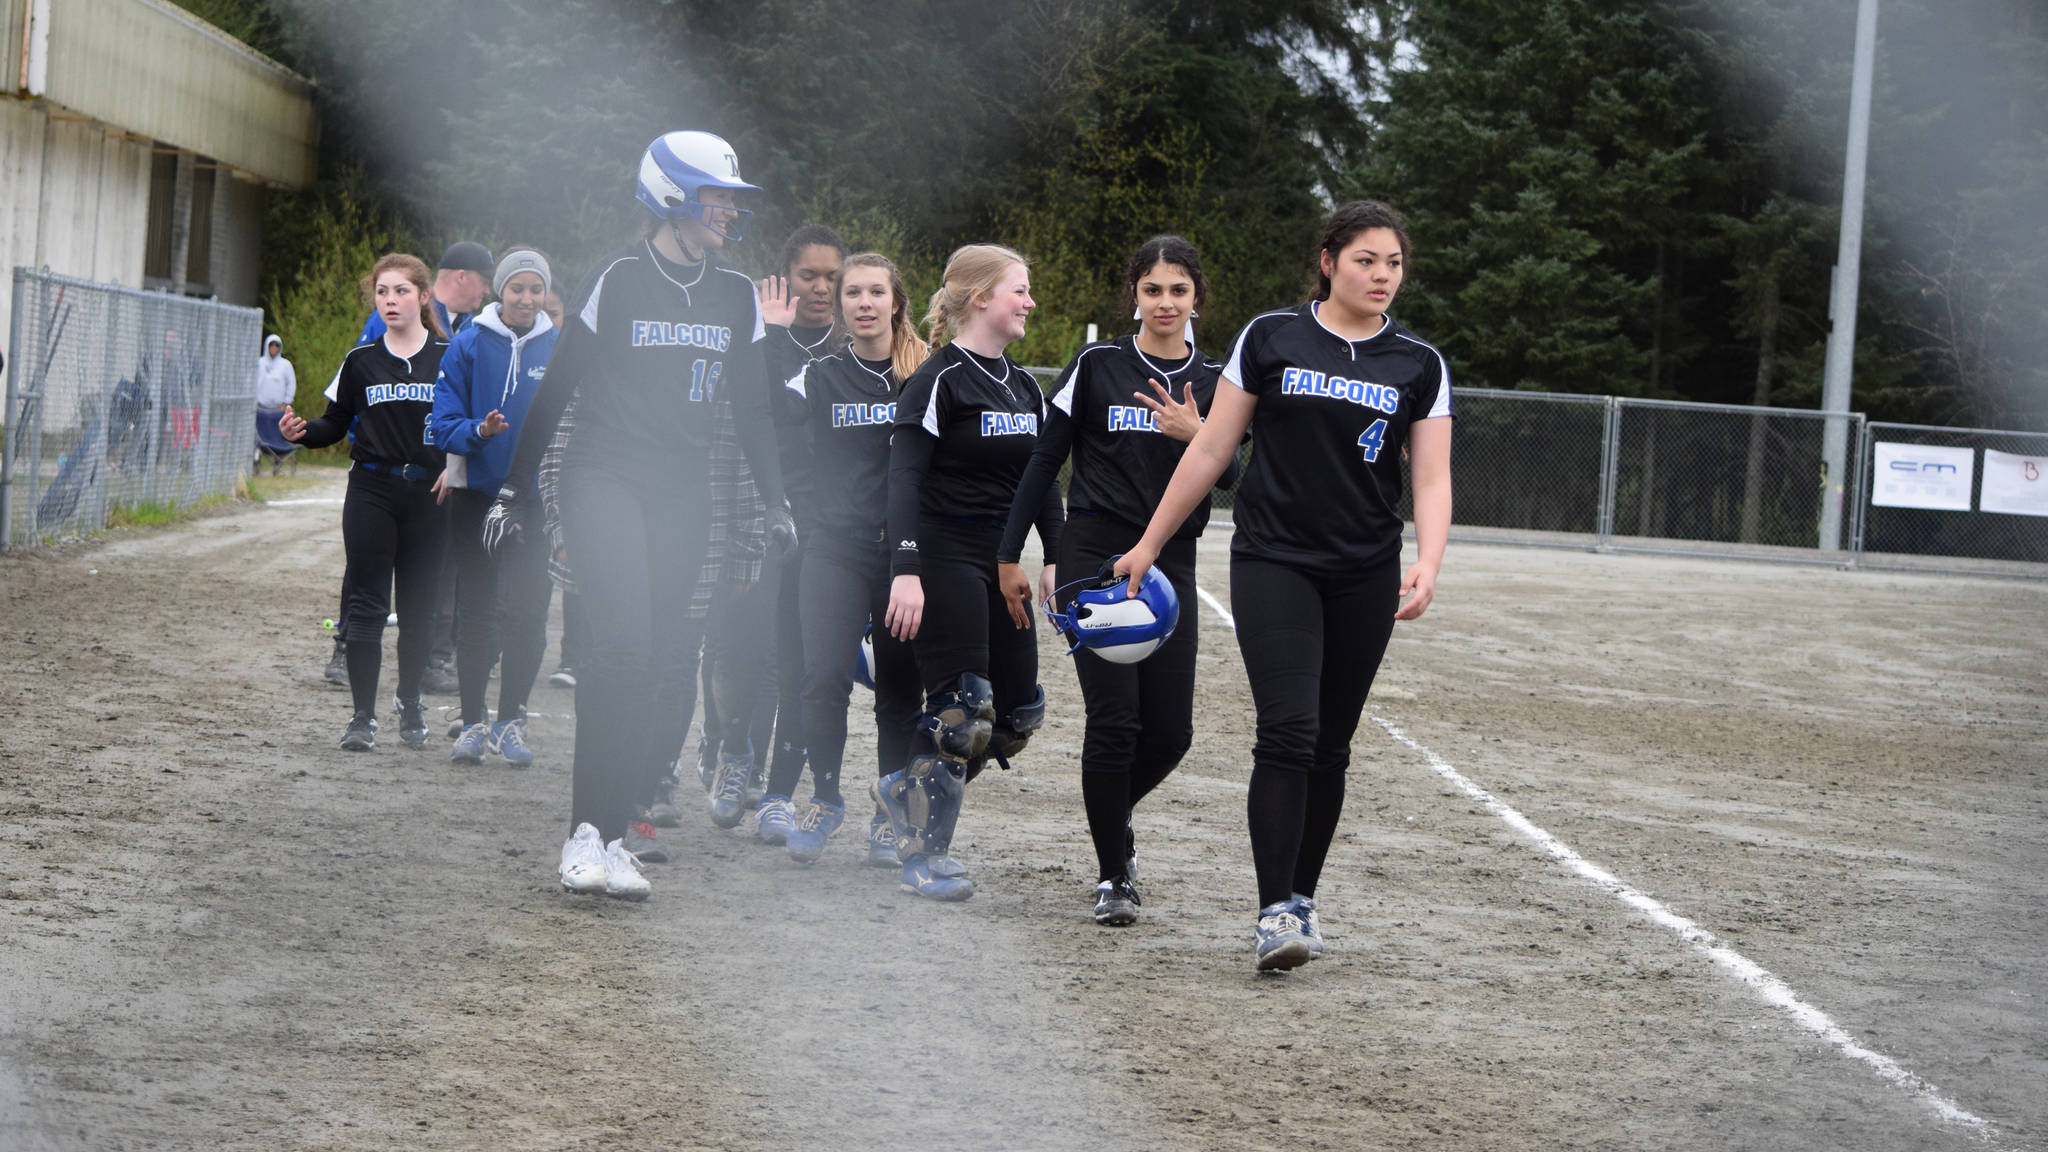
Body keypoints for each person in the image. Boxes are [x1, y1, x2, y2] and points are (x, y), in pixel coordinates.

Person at [1112, 200, 1453, 971]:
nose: (1382, 276)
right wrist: (1149, 541)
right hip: (1274, 561)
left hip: (1364, 570)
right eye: (1366, 260)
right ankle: (1273, 913)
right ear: (1329, 261)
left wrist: (1428, 560)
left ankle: (1301, 899)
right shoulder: (1271, 337)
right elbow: (1210, 451)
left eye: (1394, 263)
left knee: (1331, 745)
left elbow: (1431, 478)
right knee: (1288, 731)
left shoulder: (1419, 364)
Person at [490, 130, 792, 903]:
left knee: (659, 666)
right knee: (620, 649)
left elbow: (754, 408)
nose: (728, 209)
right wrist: (515, 490)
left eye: (731, 197)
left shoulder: (733, 296)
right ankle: (584, 834)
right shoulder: (618, 278)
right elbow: (556, 391)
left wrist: (776, 498)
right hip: (606, 477)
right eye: (714, 195)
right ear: (669, 196)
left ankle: (618, 837)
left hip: (683, 490)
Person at [1000, 235, 1235, 926]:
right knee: (1115, 719)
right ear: (1133, 294)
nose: (1165, 303)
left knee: (1171, 733)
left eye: (1179, 290)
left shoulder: (1219, 381)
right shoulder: (1099, 364)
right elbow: (1043, 463)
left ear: (1197, 297)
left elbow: (1238, 478)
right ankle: (1114, 875)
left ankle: (1113, 815)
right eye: (1152, 289)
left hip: (1173, 561)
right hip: (1096, 558)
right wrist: (1013, 554)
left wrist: (1197, 433)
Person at [876, 244, 1061, 900]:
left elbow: (1040, 483)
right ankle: (924, 857)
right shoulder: (938, 378)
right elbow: (902, 478)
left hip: (1001, 563)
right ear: (980, 298)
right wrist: (905, 568)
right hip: (941, 555)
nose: (1030, 302)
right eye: (1020, 289)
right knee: (962, 711)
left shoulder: (1025, 386)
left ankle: (905, 787)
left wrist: (1053, 562)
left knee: (1016, 715)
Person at [767, 252, 927, 865]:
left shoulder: (921, 377)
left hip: (902, 556)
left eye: (875, 292)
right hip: (833, 547)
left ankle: (892, 816)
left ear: (895, 302)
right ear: (839, 306)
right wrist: (811, 516)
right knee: (823, 676)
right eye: (852, 293)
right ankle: (825, 798)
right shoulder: (820, 374)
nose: (864, 303)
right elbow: (776, 430)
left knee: (898, 690)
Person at [278, 253, 451, 752]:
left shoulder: (450, 355)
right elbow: (336, 423)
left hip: (430, 494)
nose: (390, 300)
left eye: (400, 291)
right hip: (372, 490)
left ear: (423, 295)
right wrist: (303, 432)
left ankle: (411, 702)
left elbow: (465, 423)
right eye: (382, 292)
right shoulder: (361, 360)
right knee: (367, 605)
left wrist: (460, 468)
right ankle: (361, 717)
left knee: (419, 611)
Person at [714, 224, 847, 839]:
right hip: (755, 518)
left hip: (823, 529)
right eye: (808, 276)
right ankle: (733, 750)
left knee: (794, 661)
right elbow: (743, 411)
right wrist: (765, 335)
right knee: (740, 651)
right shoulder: (759, 339)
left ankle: (777, 793)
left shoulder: (856, 350)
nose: (821, 288)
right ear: (784, 278)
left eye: (832, 277)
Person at [430, 247, 558, 767]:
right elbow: (441, 424)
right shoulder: (467, 344)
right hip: (477, 497)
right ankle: (473, 724)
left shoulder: (563, 348)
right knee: (477, 612)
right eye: (516, 288)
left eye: (535, 289)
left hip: (536, 502)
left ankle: (511, 722)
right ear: (499, 291)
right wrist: (478, 432)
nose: (526, 298)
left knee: (528, 615)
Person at [254, 334, 298, 476]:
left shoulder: (285, 365)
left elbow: (291, 384)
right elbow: (252, 382)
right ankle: (255, 464)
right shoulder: (259, 363)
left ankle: (277, 466)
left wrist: (286, 401)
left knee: (279, 436)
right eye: (271, 345)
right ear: (267, 346)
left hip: (278, 410)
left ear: (280, 347)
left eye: (276, 345)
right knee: (257, 437)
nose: (273, 348)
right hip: (260, 409)